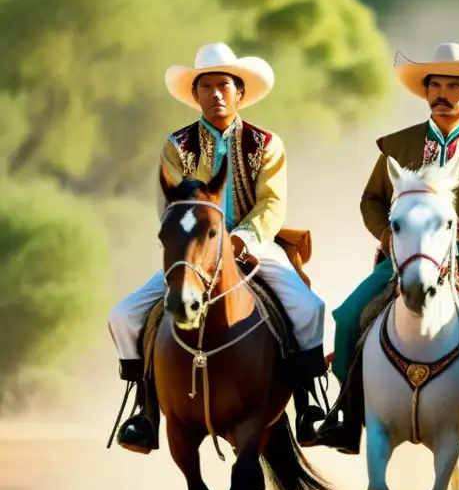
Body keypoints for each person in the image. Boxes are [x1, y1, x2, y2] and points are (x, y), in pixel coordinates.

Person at [107, 43, 328, 453]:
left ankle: (308, 406)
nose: (216, 94)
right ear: (196, 95)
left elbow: (272, 202)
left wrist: (243, 238)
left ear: (240, 92)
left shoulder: (266, 143)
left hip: (255, 245)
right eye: (205, 87)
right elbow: (170, 207)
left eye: (224, 85)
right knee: (123, 316)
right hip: (194, 252)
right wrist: (196, 246)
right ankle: (144, 410)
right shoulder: (177, 145)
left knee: (309, 308)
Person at [313, 43, 459, 453]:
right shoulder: (398, 146)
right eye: (435, 86)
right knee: (346, 317)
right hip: (406, 263)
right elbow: (371, 201)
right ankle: (346, 415)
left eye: (452, 86)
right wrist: (389, 236)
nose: (442, 94)